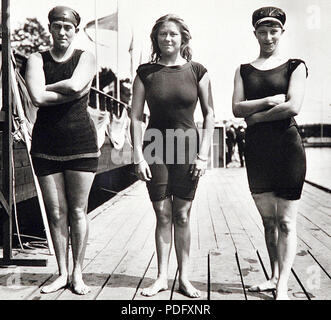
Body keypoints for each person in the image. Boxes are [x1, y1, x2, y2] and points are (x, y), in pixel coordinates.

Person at [131, 14, 214, 298]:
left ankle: (185, 278)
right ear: (155, 39)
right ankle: (161, 278)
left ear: (183, 39)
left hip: (187, 146)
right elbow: (135, 116)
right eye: (162, 34)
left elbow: (210, 114)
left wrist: (203, 155)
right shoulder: (145, 73)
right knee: (162, 213)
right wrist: (137, 157)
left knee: (182, 214)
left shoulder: (198, 71)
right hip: (155, 145)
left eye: (173, 34)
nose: (168, 39)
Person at [232, 7, 307, 300]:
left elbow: (293, 107)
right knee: (268, 221)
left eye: (274, 30)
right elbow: (236, 108)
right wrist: (267, 100)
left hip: (288, 149)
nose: (268, 36)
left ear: (282, 33)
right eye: (262, 31)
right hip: (258, 152)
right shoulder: (243, 70)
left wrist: (257, 117)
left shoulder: (295, 66)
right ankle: (272, 275)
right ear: (255, 34)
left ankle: (282, 284)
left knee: (287, 221)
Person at [25, 6, 98, 295]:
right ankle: (61, 272)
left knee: (78, 211)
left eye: (68, 27)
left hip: (81, 142)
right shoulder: (35, 59)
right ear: (50, 28)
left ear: (75, 30)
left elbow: (76, 83)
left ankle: (78, 273)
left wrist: (49, 89)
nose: (63, 31)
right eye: (57, 26)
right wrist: (67, 91)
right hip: (45, 144)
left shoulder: (86, 58)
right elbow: (36, 96)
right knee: (56, 213)